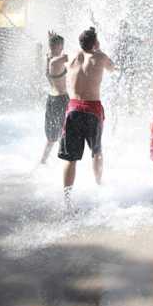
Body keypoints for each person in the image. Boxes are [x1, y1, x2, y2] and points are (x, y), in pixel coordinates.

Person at [58, 26, 116, 208]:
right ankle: (99, 185)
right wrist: (99, 50)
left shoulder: (71, 57)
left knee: (70, 158)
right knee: (96, 152)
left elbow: (59, 62)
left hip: (73, 109)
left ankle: (67, 199)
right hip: (92, 109)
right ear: (95, 43)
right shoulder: (100, 58)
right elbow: (113, 68)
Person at [40, 31, 69, 164]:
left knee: (52, 136)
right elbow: (73, 56)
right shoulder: (59, 60)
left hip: (51, 99)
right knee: (65, 132)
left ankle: (43, 161)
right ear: (60, 47)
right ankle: (65, 162)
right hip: (61, 100)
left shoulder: (49, 58)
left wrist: (51, 41)